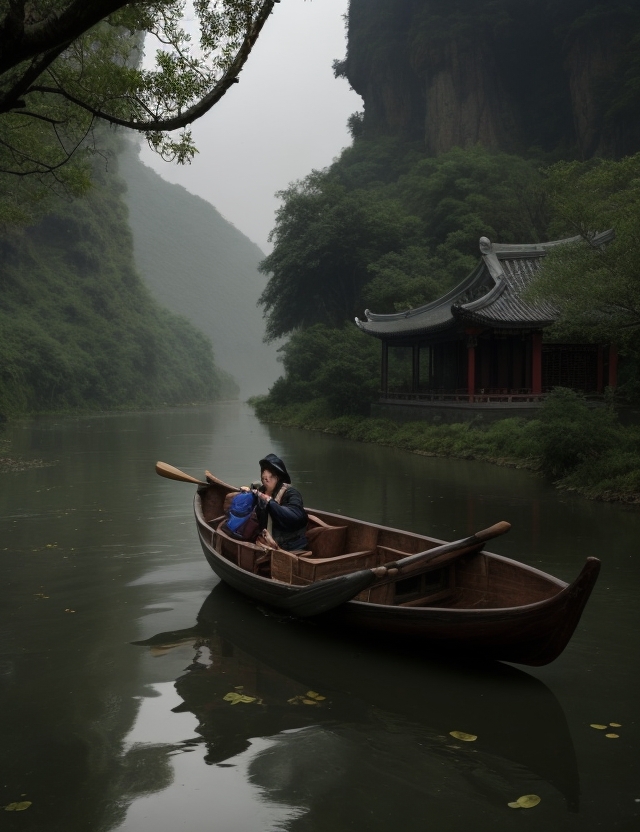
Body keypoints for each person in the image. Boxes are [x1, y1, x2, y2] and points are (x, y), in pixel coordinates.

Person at [243, 453, 308, 551]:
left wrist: (270, 502)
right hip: (264, 543)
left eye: (271, 477)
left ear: (279, 478)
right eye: (264, 478)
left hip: (290, 547)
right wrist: (249, 493)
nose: (266, 481)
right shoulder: (260, 492)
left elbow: (296, 517)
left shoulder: (291, 493)